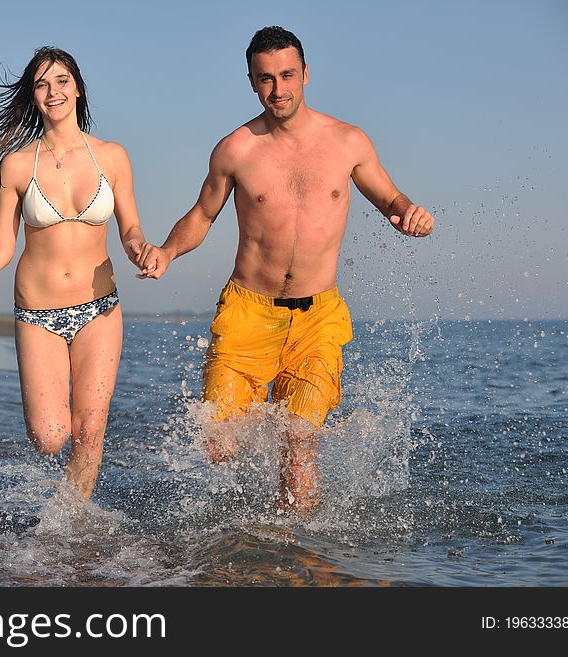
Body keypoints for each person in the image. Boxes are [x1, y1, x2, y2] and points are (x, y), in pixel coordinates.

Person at [136, 26, 434, 515]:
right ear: (252, 82)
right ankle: (257, 491)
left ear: (306, 74)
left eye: (288, 75)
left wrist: (410, 214)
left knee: (298, 443)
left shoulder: (348, 141)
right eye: (266, 79)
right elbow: (201, 215)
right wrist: (167, 252)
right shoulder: (236, 149)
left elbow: (390, 198)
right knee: (222, 447)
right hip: (247, 312)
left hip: (318, 317)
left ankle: (295, 557)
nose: (279, 90)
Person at [0, 47, 149, 499]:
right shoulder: (18, 164)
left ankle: (69, 526)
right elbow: (3, 247)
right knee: (49, 438)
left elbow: (131, 230)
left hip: (100, 308)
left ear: (78, 88)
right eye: (42, 84)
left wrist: (142, 250)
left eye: (62, 80)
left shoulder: (113, 157)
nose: (54, 91)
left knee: (90, 430)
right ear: (32, 96)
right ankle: (58, 508)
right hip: (38, 314)